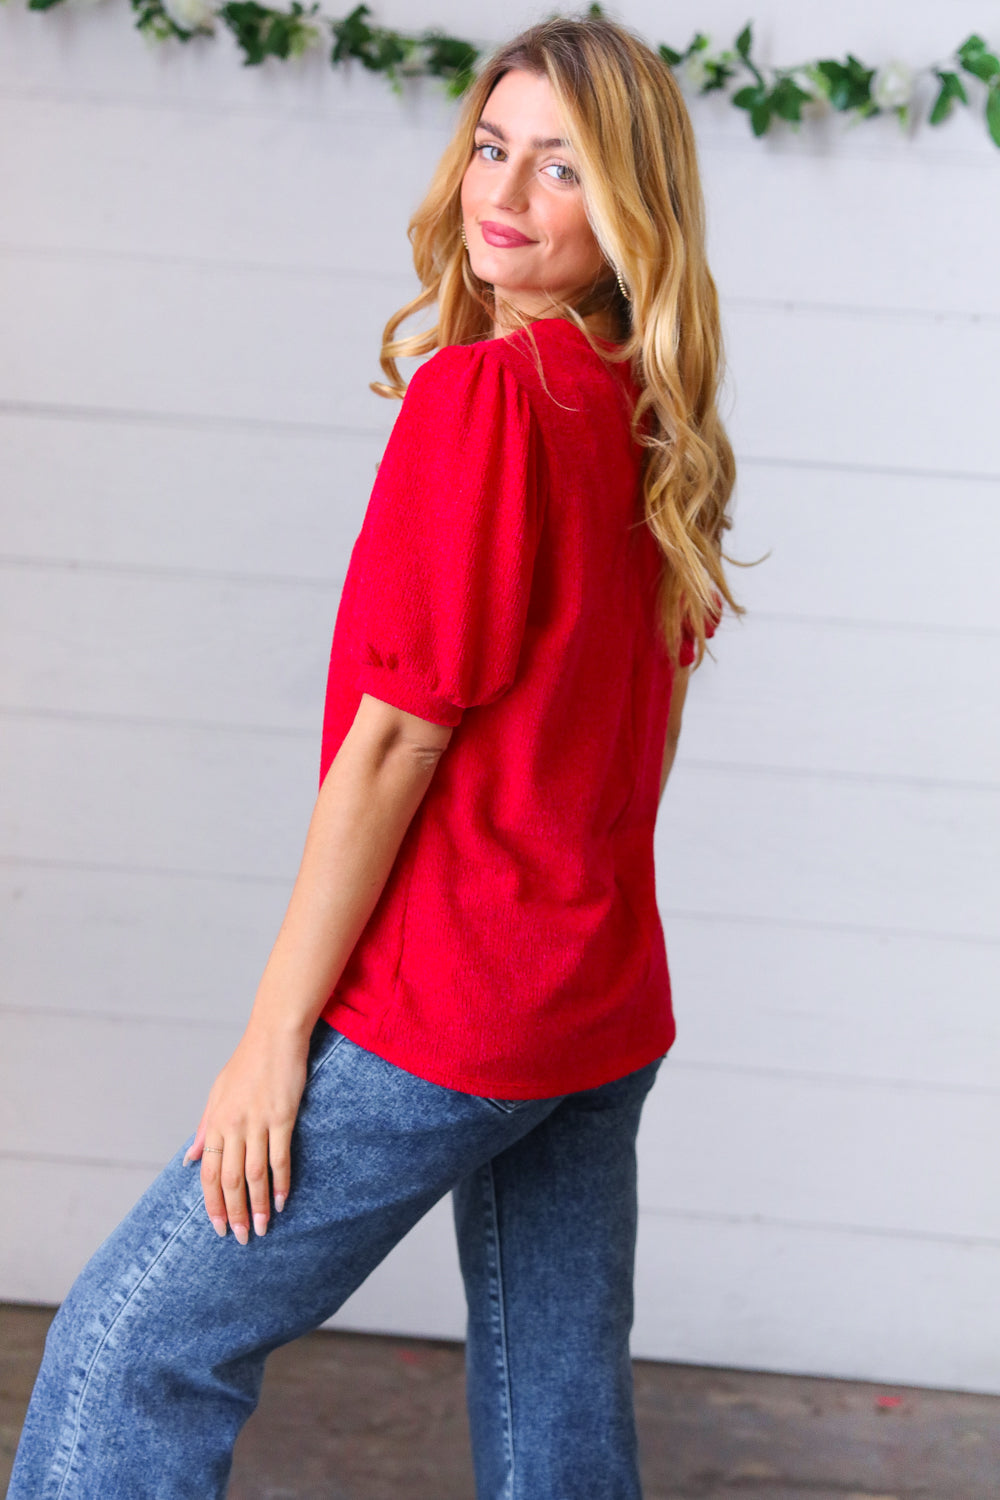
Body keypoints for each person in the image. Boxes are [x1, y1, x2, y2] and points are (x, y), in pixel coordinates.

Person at [7, 13, 741, 1499]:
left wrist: (274, 1037)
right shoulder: (651, 420)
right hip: (598, 1001)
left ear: (633, 210)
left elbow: (399, 736)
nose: (505, 194)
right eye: (493, 147)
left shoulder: (489, 397)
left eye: (564, 169)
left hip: (452, 1006)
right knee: (555, 1404)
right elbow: (640, 744)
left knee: (130, 1348)